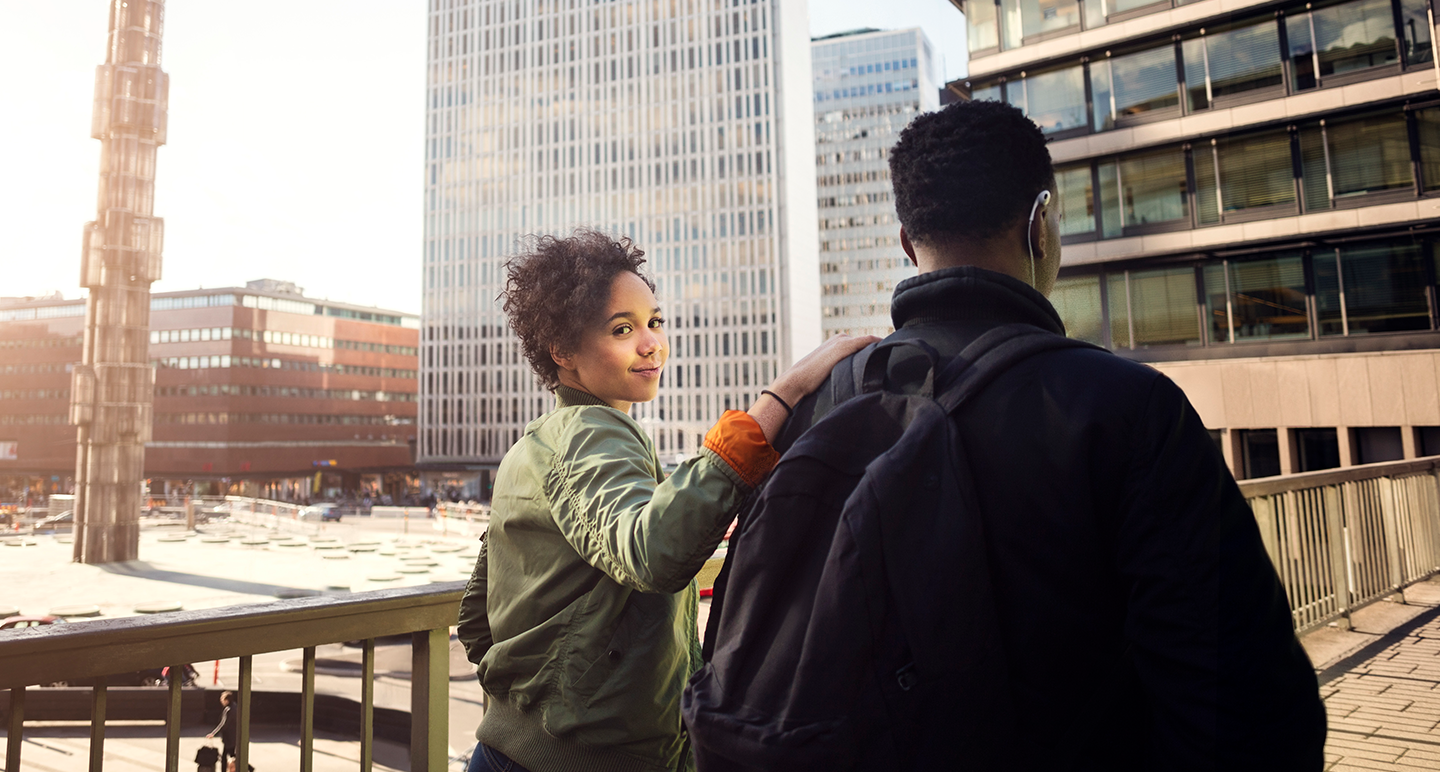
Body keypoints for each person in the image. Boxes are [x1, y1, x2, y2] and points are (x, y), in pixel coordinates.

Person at [752, 100, 1326, 768]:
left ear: (908, 242)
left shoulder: (827, 397)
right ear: (1041, 224)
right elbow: (1245, 706)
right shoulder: (1130, 409)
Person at [458, 229, 875, 772]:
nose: (651, 342)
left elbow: (475, 618)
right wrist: (784, 395)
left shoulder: (534, 444)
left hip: (508, 753)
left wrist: (533, 706)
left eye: (654, 321)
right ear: (561, 350)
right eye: (622, 329)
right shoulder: (591, 431)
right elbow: (652, 550)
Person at [205, 690, 239, 772]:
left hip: (229, 737)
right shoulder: (235, 706)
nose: (221, 701)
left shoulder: (228, 710)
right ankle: (249, 767)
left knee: (225, 756)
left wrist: (213, 733)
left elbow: (223, 724)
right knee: (231, 754)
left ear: (226, 700)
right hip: (234, 735)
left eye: (222, 699)